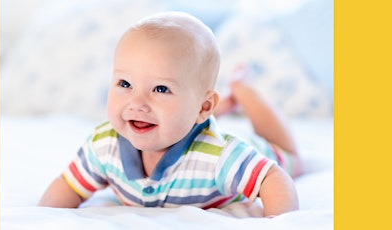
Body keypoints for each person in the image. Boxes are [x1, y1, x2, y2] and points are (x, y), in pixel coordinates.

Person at [38, 11, 302, 218]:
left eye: (161, 89)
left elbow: (272, 177)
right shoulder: (103, 145)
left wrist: (277, 220)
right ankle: (216, 108)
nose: (137, 102)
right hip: (188, 117)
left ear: (203, 106)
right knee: (177, 117)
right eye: (125, 84)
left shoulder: (220, 155)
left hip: (255, 148)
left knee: (293, 159)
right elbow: (69, 185)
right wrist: (43, 216)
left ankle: (243, 91)